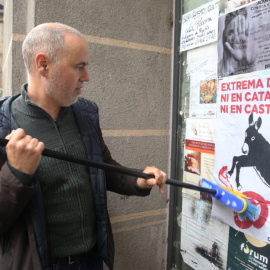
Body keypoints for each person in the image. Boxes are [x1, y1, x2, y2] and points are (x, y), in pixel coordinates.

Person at [0, 23, 167, 270]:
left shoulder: (85, 114)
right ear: (43, 65)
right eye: (79, 67)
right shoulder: (3, 124)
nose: (86, 77)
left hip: (91, 261)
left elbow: (103, 168)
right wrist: (16, 173)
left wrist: (138, 180)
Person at [218, 7, 258, 78]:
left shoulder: (253, 60)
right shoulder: (219, 68)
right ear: (225, 35)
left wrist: (248, 64)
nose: (237, 38)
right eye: (231, 32)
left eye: (241, 32)